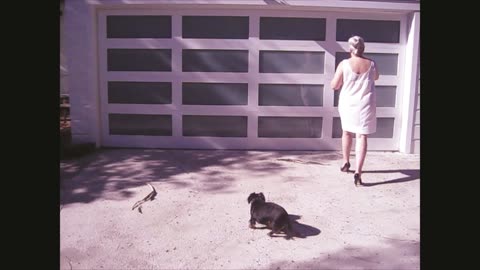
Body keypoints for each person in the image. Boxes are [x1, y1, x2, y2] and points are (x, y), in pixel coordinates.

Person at [330, 36, 380, 186]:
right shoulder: (372, 64)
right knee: (362, 135)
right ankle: (358, 171)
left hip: (348, 104)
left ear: (349, 49)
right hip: (365, 104)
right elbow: (376, 77)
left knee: (346, 132)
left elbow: (334, 85)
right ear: (363, 48)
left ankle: (346, 162)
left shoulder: (344, 64)